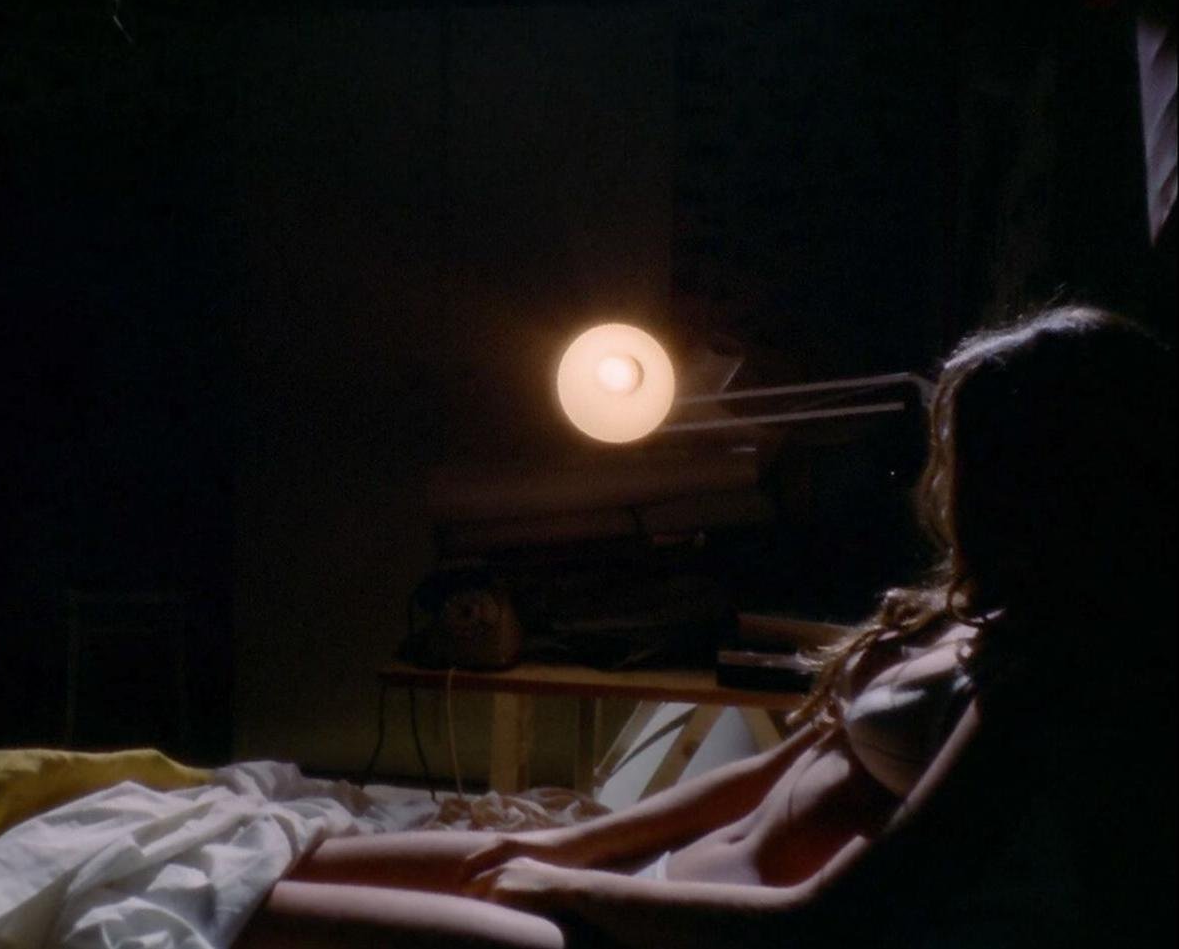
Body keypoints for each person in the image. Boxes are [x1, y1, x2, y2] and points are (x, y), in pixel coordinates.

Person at [237, 306, 1177, 949]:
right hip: (643, 882)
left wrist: (572, 888)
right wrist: (574, 844)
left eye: (977, 458)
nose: (952, 483)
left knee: (251, 918)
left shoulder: (1042, 680)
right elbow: (767, 772)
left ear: (1055, 480)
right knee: (264, 862)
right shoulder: (962, 615)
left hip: (682, 932)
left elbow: (835, 923)